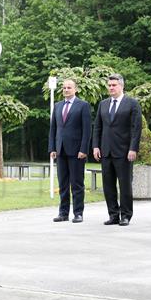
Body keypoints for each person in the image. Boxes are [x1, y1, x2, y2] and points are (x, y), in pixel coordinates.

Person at [92, 73, 142, 227]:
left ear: (121, 86)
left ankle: (126, 215)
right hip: (106, 151)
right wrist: (95, 146)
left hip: (124, 152)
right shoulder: (103, 104)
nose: (111, 88)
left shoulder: (132, 104)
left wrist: (133, 148)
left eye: (114, 85)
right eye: (109, 85)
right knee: (108, 185)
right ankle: (113, 214)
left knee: (125, 185)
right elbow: (98, 127)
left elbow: (136, 128)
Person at [48, 79, 92, 223]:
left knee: (77, 184)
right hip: (60, 150)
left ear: (75, 89)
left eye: (69, 87)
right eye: (64, 87)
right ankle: (63, 213)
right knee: (63, 184)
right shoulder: (57, 105)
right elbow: (53, 129)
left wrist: (84, 149)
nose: (66, 90)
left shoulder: (83, 105)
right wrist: (52, 148)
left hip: (76, 151)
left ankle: (78, 213)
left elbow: (87, 130)